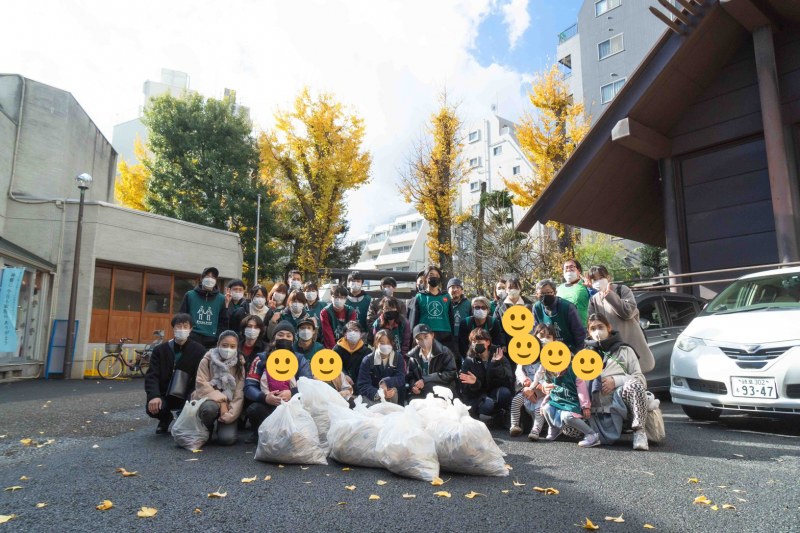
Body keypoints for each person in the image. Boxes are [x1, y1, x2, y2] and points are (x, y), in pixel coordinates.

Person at [584, 313, 650, 450]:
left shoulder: (625, 350)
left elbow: (640, 379)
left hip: (621, 403)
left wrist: (616, 381)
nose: (597, 331)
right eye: (593, 328)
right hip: (595, 410)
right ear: (588, 332)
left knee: (634, 385)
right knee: (568, 430)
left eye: (601, 327)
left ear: (609, 327)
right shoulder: (584, 355)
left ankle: (639, 431)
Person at [243, 322, 314, 443]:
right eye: (280, 335)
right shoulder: (261, 358)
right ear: (274, 337)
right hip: (267, 404)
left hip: (293, 405)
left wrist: (291, 393)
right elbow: (249, 386)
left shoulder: (299, 359)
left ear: (293, 339)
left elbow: (308, 385)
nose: (284, 339)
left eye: (288, 336)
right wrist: (265, 398)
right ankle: (259, 434)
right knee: (254, 409)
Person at [144, 313, 207, 434]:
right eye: (179, 326)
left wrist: (197, 389)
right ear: (173, 328)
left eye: (185, 326)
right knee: (153, 408)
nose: (182, 330)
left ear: (191, 329)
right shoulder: (160, 350)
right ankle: (165, 419)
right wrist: (154, 396)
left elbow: (202, 374)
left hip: (187, 392)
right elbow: (152, 375)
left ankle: (188, 423)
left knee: (195, 403)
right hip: (165, 391)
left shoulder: (199, 350)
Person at [587, 265, 655, 373]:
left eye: (601, 278)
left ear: (608, 277)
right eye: (595, 279)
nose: (598, 281)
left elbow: (628, 312)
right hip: (610, 353)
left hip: (630, 347)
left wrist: (609, 295)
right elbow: (591, 324)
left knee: (635, 381)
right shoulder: (593, 300)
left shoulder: (622, 290)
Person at [192, 330, 246, 446]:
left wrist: (231, 415)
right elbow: (202, 385)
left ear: (237, 347)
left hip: (230, 405)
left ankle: (222, 426)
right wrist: (222, 402)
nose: (228, 349)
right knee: (209, 408)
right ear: (218, 345)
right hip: (209, 401)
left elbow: (239, 392)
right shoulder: (207, 360)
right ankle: (207, 428)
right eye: (225, 345)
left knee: (227, 439)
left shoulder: (239, 364)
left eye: (233, 346)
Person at [539, 349, 600, 448]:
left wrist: (585, 405)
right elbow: (551, 391)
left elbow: (582, 389)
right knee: (546, 409)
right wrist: (543, 404)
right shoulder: (550, 372)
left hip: (571, 403)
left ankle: (592, 434)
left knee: (567, 417)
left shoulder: (573, 371)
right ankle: (554, 428)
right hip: (557, 401)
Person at [509, 323, 555, 440]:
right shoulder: (526, 356)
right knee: (515, 401)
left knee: (539, 409)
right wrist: (525, 382)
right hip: (525, 389)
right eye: (541, 335)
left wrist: (537, 388)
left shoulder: (551, 358)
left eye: (549, 336)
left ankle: (536, 430)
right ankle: (514, 425)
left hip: (541, 392)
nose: (544, 339)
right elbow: (519, 371)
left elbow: (547, 377)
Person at [459, 328, 513, 422]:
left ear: (488, 342)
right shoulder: (469, 361)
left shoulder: (499, 356)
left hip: (493, 392)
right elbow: (464, 389)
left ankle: (498, 414)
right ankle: (481, 414)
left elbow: (507, 381)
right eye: (473, 342)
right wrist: (475, 383)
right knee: (488, 404)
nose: (476, 344)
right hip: (477, 396)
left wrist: (496, 365)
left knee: (505, 393)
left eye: (479, 341)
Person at [409, 265, 456, 353]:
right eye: (431, 275)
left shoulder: (446, 296)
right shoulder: (419, 297)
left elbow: (451, 319)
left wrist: (452, 335)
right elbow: (413, 320)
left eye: (437, 275)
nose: (434, 277)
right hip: (425, 335)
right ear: (426, 278)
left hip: (445, 334)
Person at [532, 279, 587, 354]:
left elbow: (579, 332)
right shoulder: (537, 307)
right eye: (541, 294)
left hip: (568, 350)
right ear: (537, 294)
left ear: (555, 293)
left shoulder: (568, 307)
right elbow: (535, 329)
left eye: (548, 292)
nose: (544, 296)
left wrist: (579, 353)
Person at [178, 266, 228, 348]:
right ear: (201, 279)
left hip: (211, 341)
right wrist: (187, 334)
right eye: (207, 276)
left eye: (213, 277)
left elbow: (223, 321)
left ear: (216, 281)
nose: (210, 279)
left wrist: (217, 336)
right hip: (191, 339)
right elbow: (182, 316)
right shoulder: (190, 295)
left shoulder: (221, 298)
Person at [406, 324, 457, 401]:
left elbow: (450, 373)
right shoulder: (413, 357)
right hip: (422, 391)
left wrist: (425, 380)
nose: (423, 341)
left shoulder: (445, 352)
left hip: (443, 388)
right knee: (412, 402)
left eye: (426, 337)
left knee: (429, 386)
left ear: (432, 335)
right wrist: (414, 386)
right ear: (415, 341)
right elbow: (411, 377)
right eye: (419, 339)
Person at [357, 329, 405, 405]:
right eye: (382, 343)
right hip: (373, 396)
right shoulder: (368, 360)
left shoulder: (398, 358)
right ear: (376, 344)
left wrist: (385, 382)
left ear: (392, 344)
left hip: (391, 395)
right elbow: (363, 384)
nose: (385, 346)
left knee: (393, 390)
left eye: (388, 343)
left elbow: (401, 378)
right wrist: (379, 394)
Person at [493, 277, 533, 348]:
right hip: (508, 344)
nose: (513, 290)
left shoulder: (529, 304)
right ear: (506, 290)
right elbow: (498, 325)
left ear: (520, 288)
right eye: (510, 288)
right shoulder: (500, 306)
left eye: (515, 287)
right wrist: (503, 343)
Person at [557, 259, 591, 326]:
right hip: (564, 328)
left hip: (583, 327)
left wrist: (591, 288)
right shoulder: (559, 288)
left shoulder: (586, 285)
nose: (568, 269)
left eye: (571, 267)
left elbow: (597, 299)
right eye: (566, 268)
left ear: (579, 271)